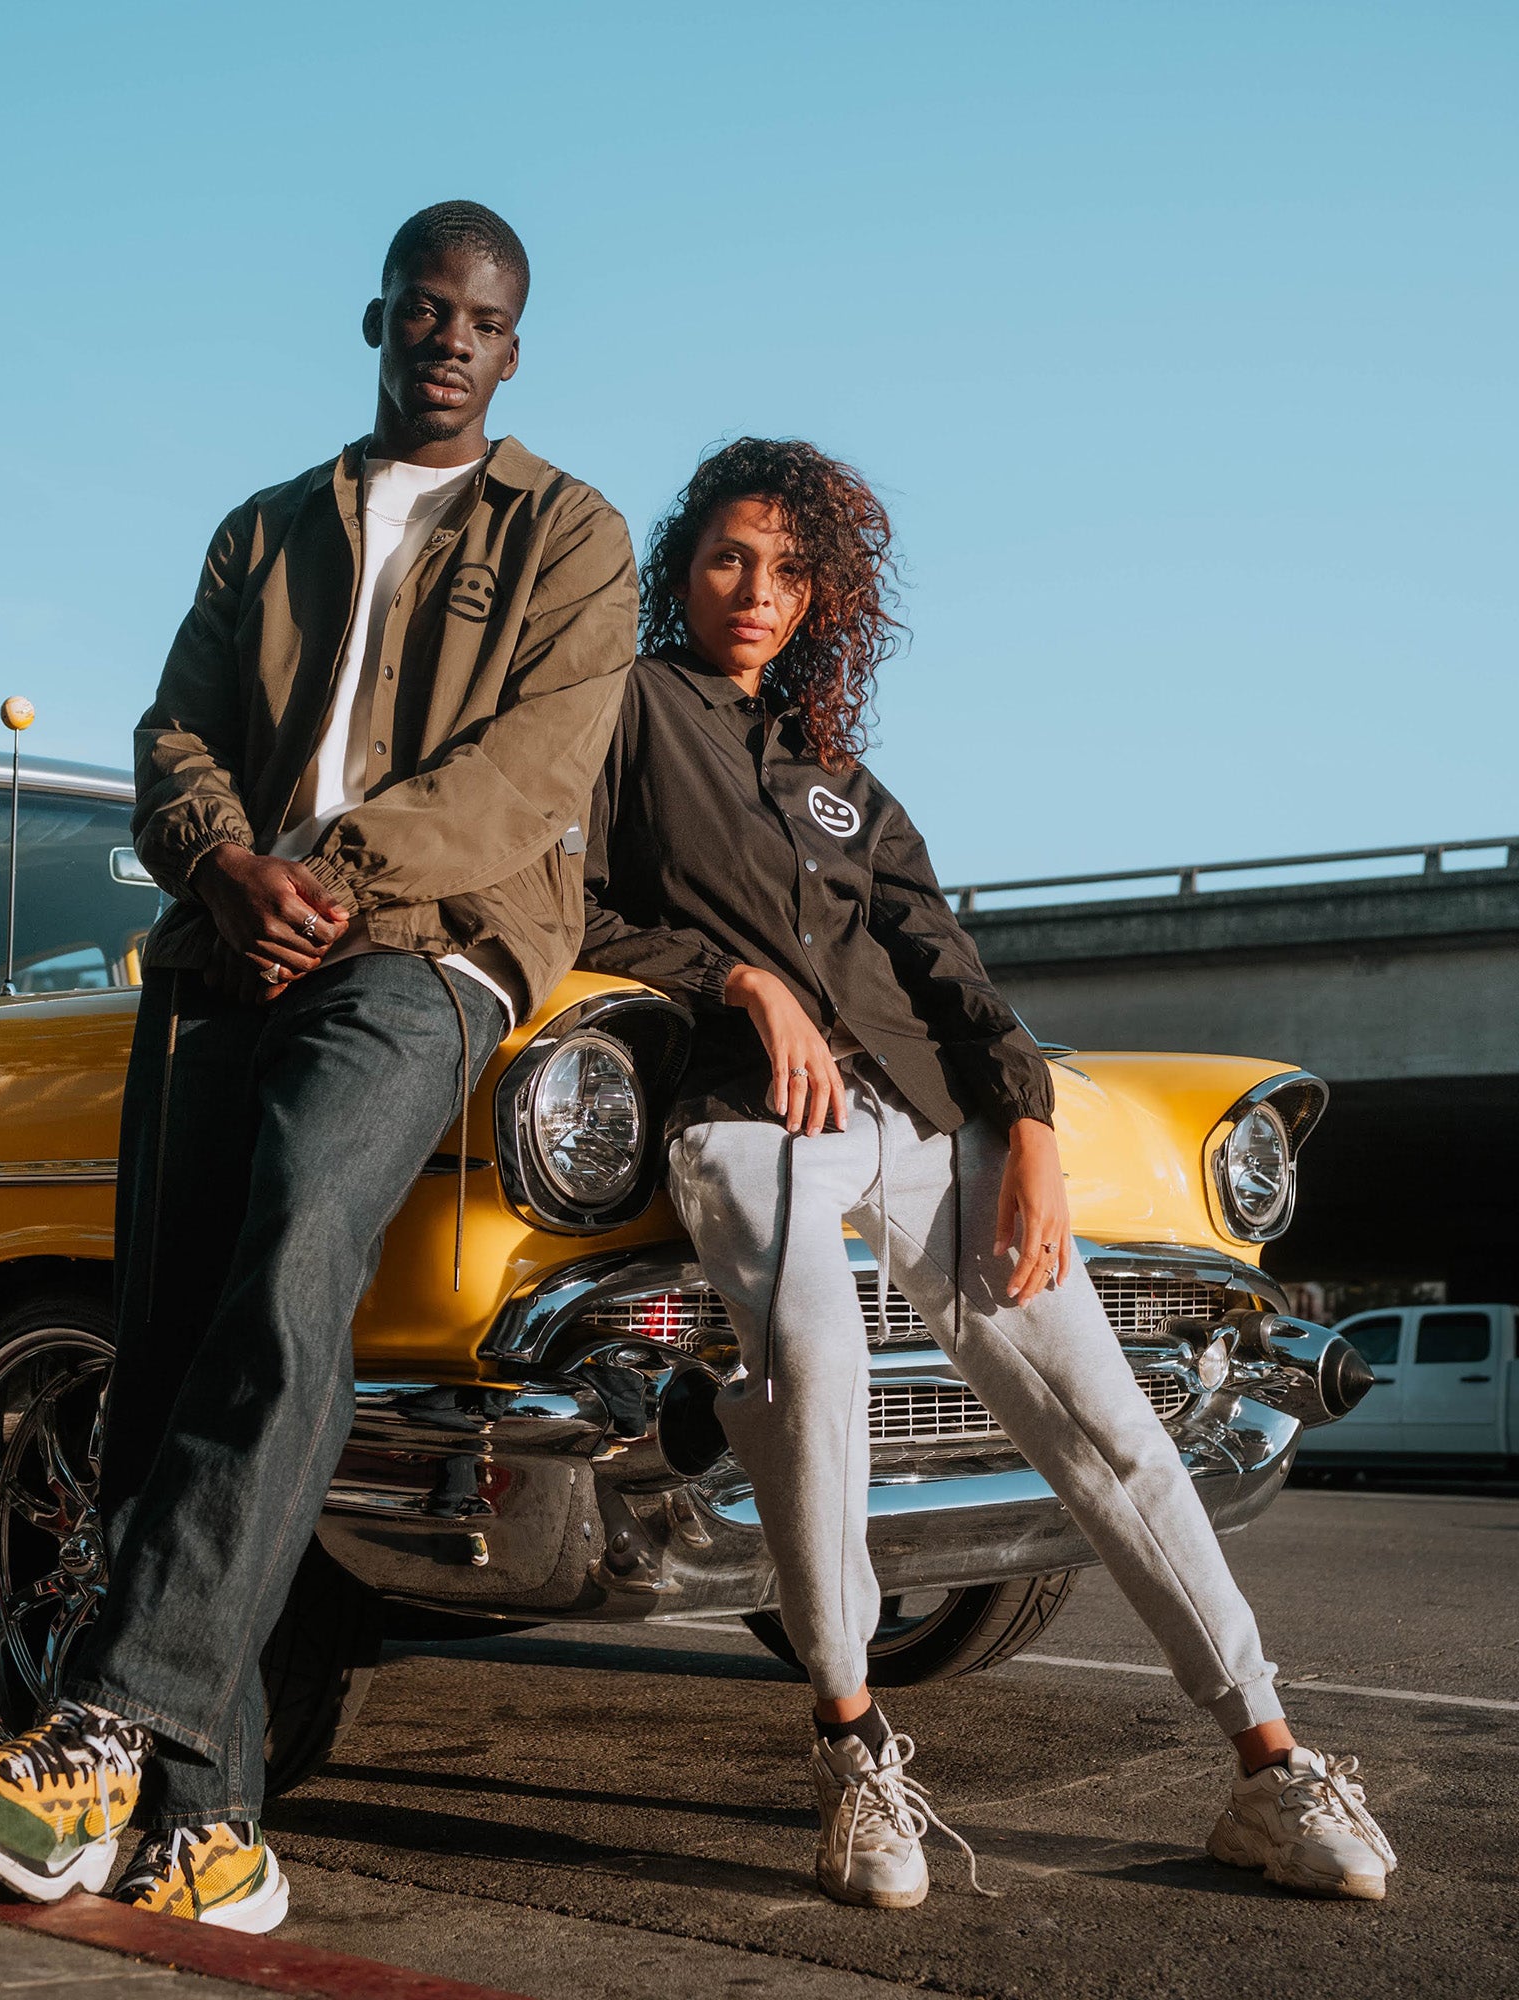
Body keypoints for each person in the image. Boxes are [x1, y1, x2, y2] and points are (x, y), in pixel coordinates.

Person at [0, 201, 637, 1930]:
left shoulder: (572, 535)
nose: (447, 339)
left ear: (513, 348)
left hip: (429, 956)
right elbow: (174, 734)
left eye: (481, 319)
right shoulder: (264, 531)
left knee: (298, 1257)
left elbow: (529, 773)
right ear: (376, 320)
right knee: (170, 1345)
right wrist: (226, 867)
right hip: (226, 951)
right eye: (422, 310)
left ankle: (101, 1718)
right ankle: (209, 1828)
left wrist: (333, 876)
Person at [579, 437, 1396, 1910]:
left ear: (824, 595)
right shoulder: (626, 712)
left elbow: (944, 961)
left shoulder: (841, 779)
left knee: (1112, 1426)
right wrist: (739, 983)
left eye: (786, 570)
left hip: (921, 1123)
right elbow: (560, 902)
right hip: (748, 1119)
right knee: (817, 1366)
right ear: (678, 569)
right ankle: (852, 1748)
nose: (753, 593)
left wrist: (1024, 1127)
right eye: (725, 559)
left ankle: (1270, 1766)